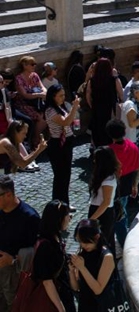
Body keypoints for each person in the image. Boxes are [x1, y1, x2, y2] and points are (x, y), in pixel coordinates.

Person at [0, 175, 40, 312]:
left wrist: (12, 260)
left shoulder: (29, 218)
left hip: (15, 274)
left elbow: (37, 250)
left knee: (14, 306)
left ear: (8, 195)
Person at [32, 200, 75, 312]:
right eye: (67, 215)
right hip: (53, 299)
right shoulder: (46, 246)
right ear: (58, 219)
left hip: (63, 291)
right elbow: (47, 281)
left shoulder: (55, 237)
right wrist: (61, 308)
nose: (70, 218)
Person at [43, 85, 81, 206]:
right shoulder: (50, 110)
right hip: (57, 144)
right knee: (60, 176)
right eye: (60, 95)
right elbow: (65, 121)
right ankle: (58, 203)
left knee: (66, 174)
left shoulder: (60, 107)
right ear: (53, 96)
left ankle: (65, 202)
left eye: (64, 95)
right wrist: (74, 108)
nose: (63, 98)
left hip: (67, 142)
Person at [106, 119, 139, 249]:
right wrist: (135, 185)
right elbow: (138, 168)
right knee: (122, 212)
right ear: (124, 131)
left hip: (113, 187)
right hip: (127, 186)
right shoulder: (133, 147)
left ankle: (124, 244)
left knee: (117, 217)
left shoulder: (109, 151)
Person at [68, 219, 115, 312]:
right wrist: (71, 271)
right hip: (85, 305)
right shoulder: (83, 254)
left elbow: (98, 289)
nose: (83, 245)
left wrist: (82, 268)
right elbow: (76, 287)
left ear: (97, 237)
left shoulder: (106, 257)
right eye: (80, 241)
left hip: (102, 306)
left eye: (86, 242)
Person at [87, 146, 119, 258]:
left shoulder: (108, 180)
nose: (94, 161)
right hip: (98, 211)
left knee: (102, 242)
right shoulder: (104, 176)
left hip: (102, 214)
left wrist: (91, 219)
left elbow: (106, 202)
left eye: (96, 159)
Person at [85, 58, 123, 147]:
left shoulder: (92, 80)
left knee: (98, 128)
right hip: (110, 108)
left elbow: (88, 94)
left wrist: (92, 105)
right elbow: (121, 93)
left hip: (97, 107)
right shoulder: (114, 79)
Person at [13, 56, 47, 150]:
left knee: (47, 115)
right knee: (40, 119)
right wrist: (39, 94)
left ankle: (36, 139)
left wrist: (44, 92)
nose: (34, 66)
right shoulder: (19, 79)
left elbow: (42, 86)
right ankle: (35, 140)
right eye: (32, 64)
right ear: (24, 65)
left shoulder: (34, 75)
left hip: (35, 102)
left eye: (35, 64)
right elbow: (24, 95)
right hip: (23, 103)